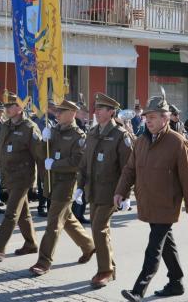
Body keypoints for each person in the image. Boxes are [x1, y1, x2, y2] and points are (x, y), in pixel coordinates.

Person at [114, 93, 188, 302]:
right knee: (166, 242)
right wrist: (120, 191)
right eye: (146, 117)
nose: (147, 121)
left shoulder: (177, 142)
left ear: (165, 118)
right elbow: (129, 170)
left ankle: (138, 290)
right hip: (148, 201)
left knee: (154, 247)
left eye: (152, 117)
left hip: (166, 203)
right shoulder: (141, 142)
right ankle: (176, 282)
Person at [29, 100, 95, 276]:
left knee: (53, 222)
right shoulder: (54, 130)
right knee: (67, 219)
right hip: (51, 180)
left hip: (66, 182)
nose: (56, 114)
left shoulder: (78, 136)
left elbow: (77, 162)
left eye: (61, 111)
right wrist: (44, 140)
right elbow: (42, 154)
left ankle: (44, 261)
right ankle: (89, 246)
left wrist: (56, 164)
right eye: (56, 111)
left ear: (73, 113)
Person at [77, 93, 133, 289]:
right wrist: (79, 187)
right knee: (100, 230)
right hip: (93, 190)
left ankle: (105, 271)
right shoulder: (92, 133)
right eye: (96, 108)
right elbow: (84, 163)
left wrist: (126, 194)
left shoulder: (120, 135)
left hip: (112, 191)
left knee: (98, 229)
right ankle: (111, 267)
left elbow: (128, 167)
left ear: (111, 112)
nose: (96, 111)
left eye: (101, 108)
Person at [0, 92, 43, 260]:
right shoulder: (6, 125)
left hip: (23, 177)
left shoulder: (29, 128)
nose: (7, 109)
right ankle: (31, 244)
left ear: (20, 107)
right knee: (23, 214)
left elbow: (40, 155)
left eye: (10, 106)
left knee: (11, 213)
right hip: (9, 175)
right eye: (6, 106)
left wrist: (44, 180)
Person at [36, 100, 58, 217]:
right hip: (44, 156)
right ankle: (42, 206)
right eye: (53, 108)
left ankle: (49, 205)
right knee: (44, 182)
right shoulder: (43, 121)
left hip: (52, 156)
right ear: (48, 108)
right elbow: (42, 139)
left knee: (50, 181)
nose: (56, 110)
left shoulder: (54, 120)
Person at [73, 101, 90, 224]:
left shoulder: (83, 125)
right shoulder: (76, 127)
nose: (85, 115)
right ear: (76, 113)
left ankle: (79, 214)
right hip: (78, 163)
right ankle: (77, 214)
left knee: (82, 190)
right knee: (79, 189)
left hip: (84, 162)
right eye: (83, 112)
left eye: (85, 112)